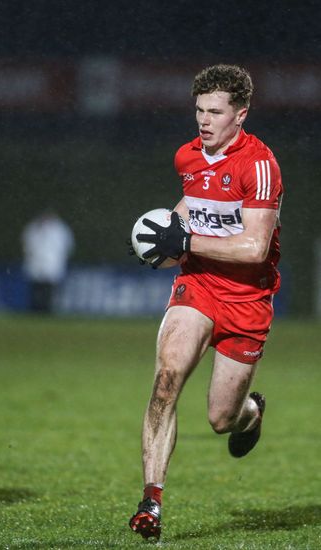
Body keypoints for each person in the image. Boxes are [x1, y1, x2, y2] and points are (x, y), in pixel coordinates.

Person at [127, 65, 283, 540]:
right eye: (199, 110)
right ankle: (150, 503)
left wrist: (186, 240)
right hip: (198, 287)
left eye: (215, 111)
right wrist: (158, 239)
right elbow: (191, 208)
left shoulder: (259, 165)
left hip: (248, 298)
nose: (204, 120)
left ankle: (250, 415)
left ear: (241, 115)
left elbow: (254, 248)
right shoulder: (187, 157)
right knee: (166, 380)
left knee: (221, 418)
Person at [21, 209, 74, 313]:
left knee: (49, 289)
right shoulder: (33, 228)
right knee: (36, 288)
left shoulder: (60, 229)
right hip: (35, 262)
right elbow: (26, 244)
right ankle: (35, 310)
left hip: (52, 263)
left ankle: (48, 310)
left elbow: (67, 246)